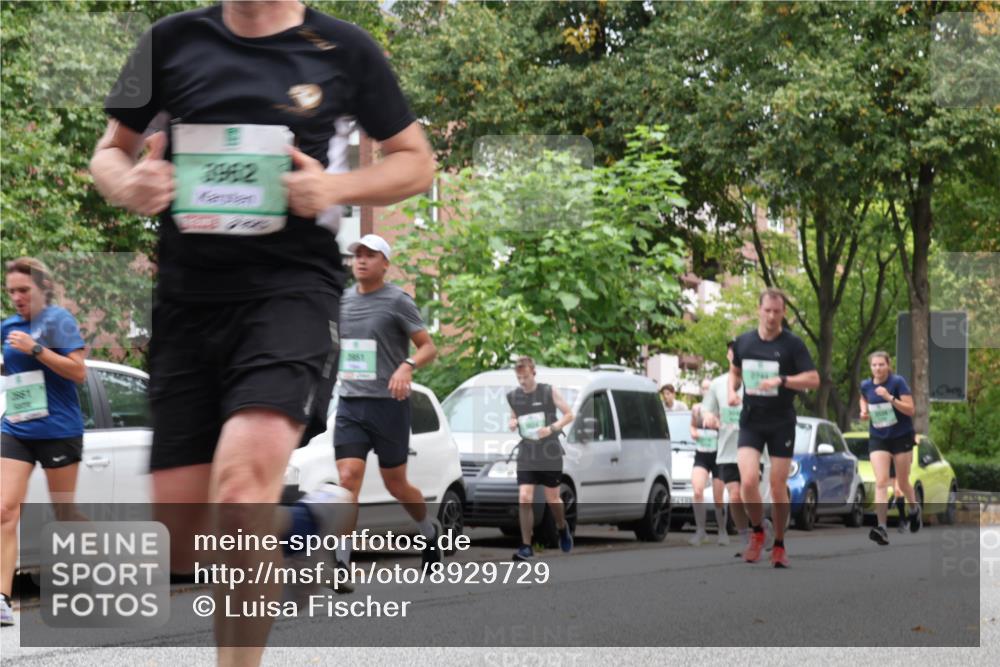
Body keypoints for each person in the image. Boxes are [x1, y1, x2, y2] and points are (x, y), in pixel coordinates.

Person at [90, 2, 434, 664]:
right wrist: (128, 181)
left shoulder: (343, 48)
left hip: (291, 291)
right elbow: (109, 151)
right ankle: (302, 516)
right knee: (183, 531)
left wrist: (335, 186)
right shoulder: (166, 42)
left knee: (242, 492)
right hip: (189, 300)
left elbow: (416, 163)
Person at [333, 234, 439, 572]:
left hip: (389, 405)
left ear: (385, 263)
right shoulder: (342, 301)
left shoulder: (397, 301)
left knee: (396, 484)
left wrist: (407, 366)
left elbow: (428, 348)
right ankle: (342, 560)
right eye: (357, 254)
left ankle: (428, 531)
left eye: (370, 254)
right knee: (348, 479)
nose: (361, 260)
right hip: (351, 403)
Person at [1, 258, 87, 628]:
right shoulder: (7, 326)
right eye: (11, 292)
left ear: (43, 288)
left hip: (59, 429)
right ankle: (2, 598)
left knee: (64, 515)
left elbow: (78, 372)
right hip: (17, 428)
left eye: (24, 290)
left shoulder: (59, 322)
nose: (17, 297)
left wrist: (35, 349)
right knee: (4, 510)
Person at [730, 288, 819, 568]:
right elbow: (735, 370)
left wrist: (782, 380)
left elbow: (814, 379)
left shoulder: (793, 345)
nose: (771, 316)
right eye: (767, 310)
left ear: (783, 313)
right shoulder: (743, 342)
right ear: (759, 310)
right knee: (747, 481)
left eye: (777, 312)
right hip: (751, 419)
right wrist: (732, 390)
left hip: (781, 421)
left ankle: (779, 544)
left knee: (777, 484)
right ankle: (758, 532)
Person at [507, 356, 575, 561]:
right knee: (525, 497)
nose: (522, 382)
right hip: (528, 450)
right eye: (519, 378)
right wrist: (512, 422)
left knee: (552, 499)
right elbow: (513, 416)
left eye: (525, 377)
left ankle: (562, 527)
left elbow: (569, 415)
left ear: (533, 373)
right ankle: (526, 546)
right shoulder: (513, 396)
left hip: (549, 451)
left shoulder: (548, 391)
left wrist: (552, 428)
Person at [694, 340, 755, 552]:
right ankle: (746, 538)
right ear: (729, 356)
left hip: (753, 449)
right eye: (733, 353)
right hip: (727, 451)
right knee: (735, 495)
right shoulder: (717, 385)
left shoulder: (755, 382)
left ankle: (760, 527)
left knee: (748, 496)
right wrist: (710, 417)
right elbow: (706, 410)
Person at [860, 351, 919, 546]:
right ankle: (882, 527)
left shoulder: (897, 382)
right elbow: (864, 397)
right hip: (879, 438)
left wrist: (889, 397)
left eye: (881, 365)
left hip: (900, 437)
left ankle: (914, 509)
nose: (877, 368)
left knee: (902, 483)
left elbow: (911, 409)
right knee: (881, 482)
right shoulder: (866, 385)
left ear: (888, 365)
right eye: (874, 365)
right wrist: (863, 410)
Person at [688, 383, 727, 547]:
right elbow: (692, 426)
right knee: (697, 490)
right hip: (702, 454)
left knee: (718, 498)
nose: (705, 391)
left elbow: (730, 428)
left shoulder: (721, 409)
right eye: (703, 388)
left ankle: (722, 531)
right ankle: (701, 531)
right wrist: (693, 432)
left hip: (718, 456)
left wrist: (719, 425)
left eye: (708, 388)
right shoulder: (696, 409)